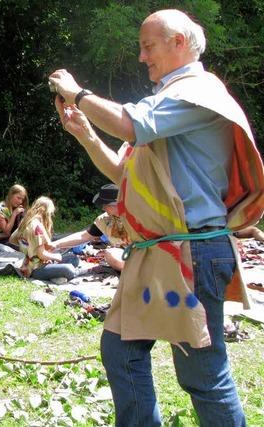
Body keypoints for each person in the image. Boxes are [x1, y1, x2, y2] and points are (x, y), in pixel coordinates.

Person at [49, 9, 264, 426]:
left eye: (148, 46)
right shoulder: (168, 100)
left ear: (178, 42)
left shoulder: (198, 93)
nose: (142, 57)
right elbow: (121, 172)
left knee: (202, 375)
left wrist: (78, 93)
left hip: (193, 252)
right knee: (120, 349)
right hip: (162, 254)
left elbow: (131, 125)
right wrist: (85, 133)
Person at [9, 196, 92, 281]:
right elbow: (42, 254)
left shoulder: (26, 221)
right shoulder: (37, 227)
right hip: (35, 269)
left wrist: (28, 248)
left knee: (73, 258)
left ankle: (55, 274)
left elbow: (12, 239)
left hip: (32, 262)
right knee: (69, 269)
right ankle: (74, 272)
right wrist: (56, 257)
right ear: (45, 211)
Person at [49, 184, 127, 272]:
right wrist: (55, 244)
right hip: (124, 255)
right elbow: (84, 236)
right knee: (110, 254)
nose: (103, 208)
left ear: (116, 204)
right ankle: (132, 272)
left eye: (105, 204)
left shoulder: (137, 216)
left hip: (142, 255)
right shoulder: (104, 220)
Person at [0, 184, 28, 248]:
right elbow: (6, 232)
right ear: (11, 195)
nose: (20, 201)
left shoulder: (16, 208)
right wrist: (14, 214)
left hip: (13, 239)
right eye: (18, 198)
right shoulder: (0, 208)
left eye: (22, 199)